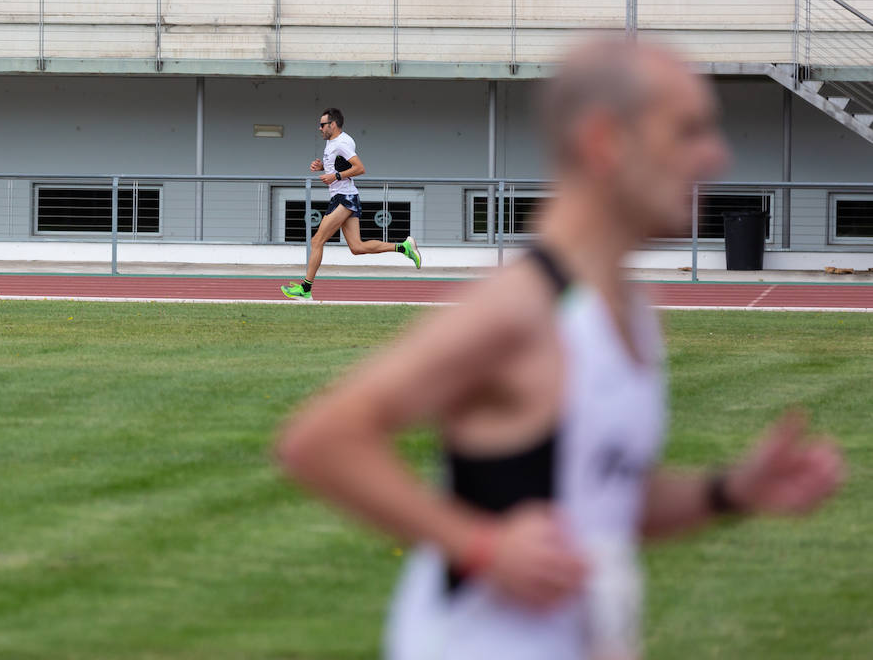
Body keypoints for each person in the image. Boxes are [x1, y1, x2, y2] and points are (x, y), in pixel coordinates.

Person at [276, 40, 845, 660]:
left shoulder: (627, 310)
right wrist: (483, 548)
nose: (716, 154)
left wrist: (731, 491)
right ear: (605, 141)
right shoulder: (521, 308)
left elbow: (602, 501)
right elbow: (323, 440)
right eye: (687, 131)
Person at [281, 107, 421, 301]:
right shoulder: (333, 143)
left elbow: (360, 168)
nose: (319, 128)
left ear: (333, 124)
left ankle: (306, 289)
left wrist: (335, 176)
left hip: (344, 198)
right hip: (345, 197)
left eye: (322, 125)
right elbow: (342, 164)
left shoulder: (342, 142)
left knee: (317, 241)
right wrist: (323, 167)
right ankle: (403, 247)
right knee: (357, 247)